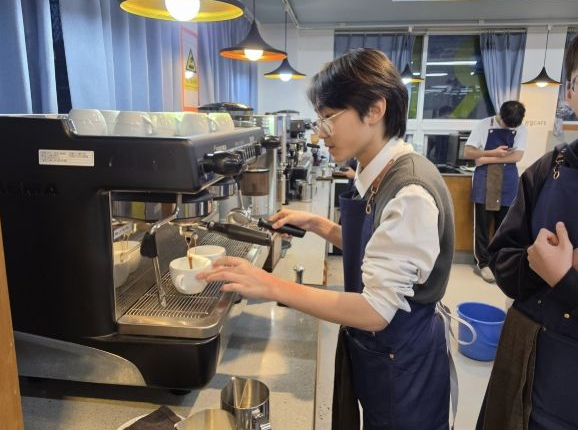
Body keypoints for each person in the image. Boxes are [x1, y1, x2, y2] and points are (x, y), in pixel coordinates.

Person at [198, 48, 455, 429]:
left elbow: (375, 310)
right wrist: (320, 225)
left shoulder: (410, 192)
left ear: (374, 110)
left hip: (404, 367)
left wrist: (270, 285)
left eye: (329, 117)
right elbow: (378, 250)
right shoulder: (379, 171)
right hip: (384, 356)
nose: (320, 133)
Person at [476, 34, 578, 429]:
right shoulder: (548, 169)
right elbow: (504, 257)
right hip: (526, 363)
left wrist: (564, 278)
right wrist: (536, 263)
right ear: (570, 91)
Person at [463, 101, 527, 283]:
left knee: (504, 226)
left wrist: (485, 158)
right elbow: (468, 152)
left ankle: (499, 263)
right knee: (482, 226)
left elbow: (517, 156)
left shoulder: (521, 128)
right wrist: (494, 153)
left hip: (508, 181)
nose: (509, 128)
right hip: (485, 180)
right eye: (507, 124)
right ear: (501, 116)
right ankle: (483, 263)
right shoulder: (484, 125)